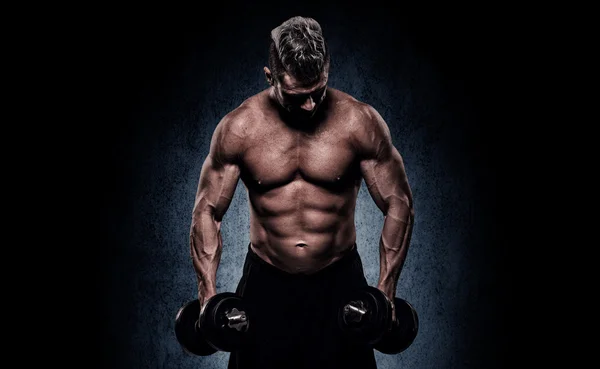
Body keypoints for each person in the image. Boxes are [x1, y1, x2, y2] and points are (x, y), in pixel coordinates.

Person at [189, 15, 414, 369]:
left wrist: (385, 290)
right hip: (266, 283)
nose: (310, 105)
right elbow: (207, 211)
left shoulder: (359, 123)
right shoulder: (240, 129)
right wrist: (207, 295)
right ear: (270, 77)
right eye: (297, 96)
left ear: (327, 68)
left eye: (318, 91)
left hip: (340, 283)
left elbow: (398, 202)